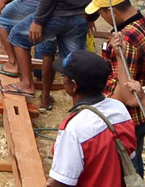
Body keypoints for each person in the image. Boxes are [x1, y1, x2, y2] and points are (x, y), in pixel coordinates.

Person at [86, 0, 145, 176]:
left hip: (125, 117)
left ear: (113, 11)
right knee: (135, 161)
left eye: (101, 13)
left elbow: (124, 89)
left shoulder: (125, 40)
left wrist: (101, 115)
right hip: (142, 112)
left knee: (123, 170)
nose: (101, 17)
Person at [48, 50, 137, 187]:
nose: (62, 79)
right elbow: (129, 157)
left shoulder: (74, 128)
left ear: (73, 85)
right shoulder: (119, 110)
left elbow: (61, 182)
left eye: (63, 75)